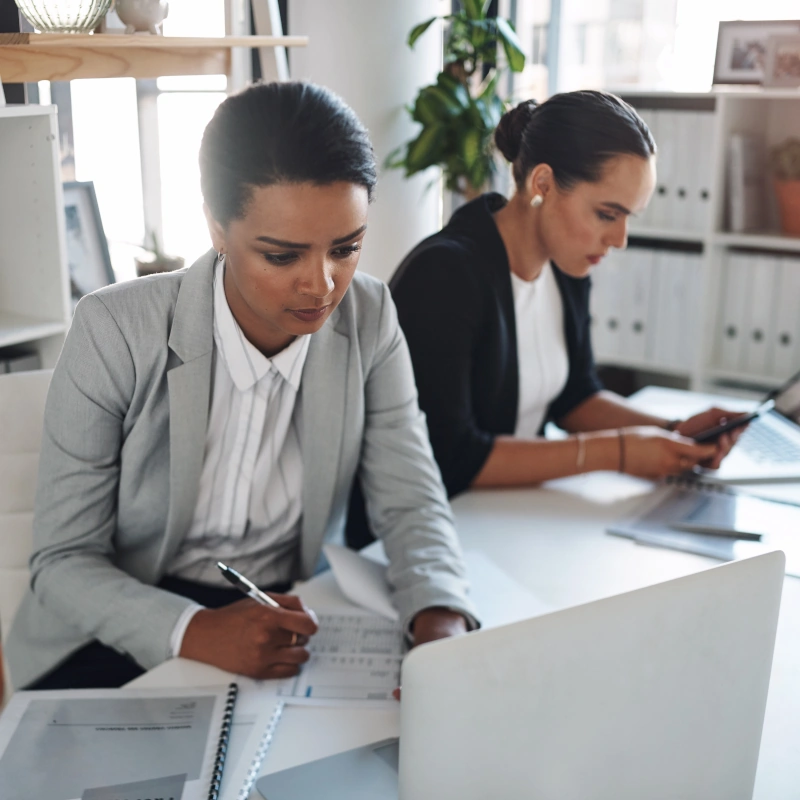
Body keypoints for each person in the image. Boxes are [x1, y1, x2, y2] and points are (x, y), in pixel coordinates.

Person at [6, 81, 476, 691]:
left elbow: (411, 500)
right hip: (119, 614)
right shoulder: (115, 329)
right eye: (282, 256)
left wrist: (440, 623)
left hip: (282, 613)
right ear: (217, 229)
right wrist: (196, 629)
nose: (322, 285)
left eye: (346, 248)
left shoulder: (371, 316)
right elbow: (63, 562)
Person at [388, 90, 742, 498]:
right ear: (543, 184)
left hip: (514, 513)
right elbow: (449, 455)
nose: (620, 239)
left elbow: (575, 397)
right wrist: (619, 452)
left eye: (628, 217)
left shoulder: (566, 266)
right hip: (436, 524)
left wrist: (673, 433)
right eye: (607, 214)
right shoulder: (445, 275)